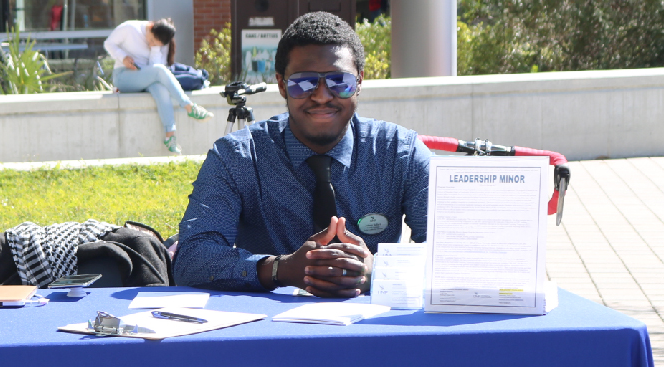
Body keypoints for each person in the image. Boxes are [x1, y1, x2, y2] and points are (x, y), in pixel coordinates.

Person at [172, 11, 431, 298]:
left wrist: (380, 272)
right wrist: (279, 270)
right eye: (304, 82)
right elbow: (192, 258)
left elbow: (456, 257)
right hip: (269, 329)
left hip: (373, 328)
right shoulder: (238, 156)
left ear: (359, 82)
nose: (321, 95)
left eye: (339, 81)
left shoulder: (400, 153)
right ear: (282, 84)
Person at [104, 18, 212, 154]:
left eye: (156, 44)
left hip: (144, 77)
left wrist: (155, 50)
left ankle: (170, 135)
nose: (151, 44)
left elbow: (154, 66)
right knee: (160, 71)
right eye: (152, 40)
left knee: (160, 88)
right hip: (124, 77)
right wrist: (123, 58)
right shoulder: (130, 28)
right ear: (151, 27)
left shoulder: (158, 43)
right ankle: (189, 106)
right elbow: (109, 43)